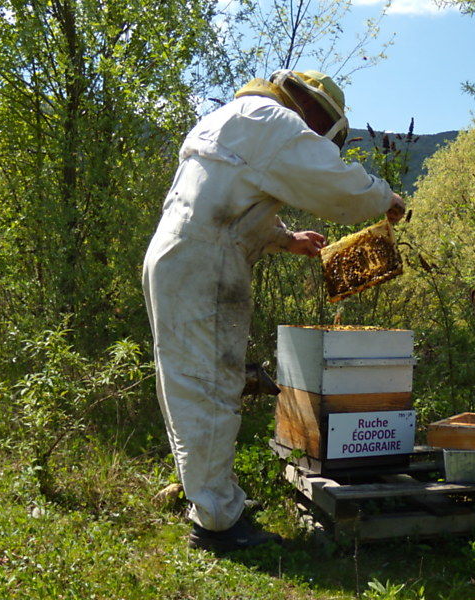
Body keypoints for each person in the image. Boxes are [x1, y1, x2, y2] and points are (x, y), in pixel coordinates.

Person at [142, 69, 405, 552]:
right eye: (323, 123)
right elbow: (332, 183)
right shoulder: (272, 119)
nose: (318, 131)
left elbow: (229, 203)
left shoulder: (232, 117)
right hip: (204, 262)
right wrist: (382, 196)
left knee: (188, 382)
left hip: (179, 254)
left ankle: (208, 495)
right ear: (309, 103)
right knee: (210, 385)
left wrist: (286, 238)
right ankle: (218, 524)